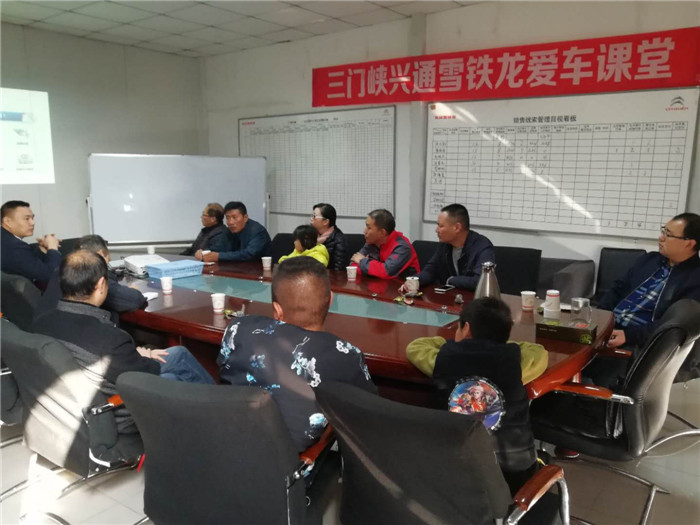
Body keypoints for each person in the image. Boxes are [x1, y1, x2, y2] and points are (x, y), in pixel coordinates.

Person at [32, 250, 214, 433]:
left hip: (67, 405)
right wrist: (141, 355)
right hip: (115, 412)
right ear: (101, 285)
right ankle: (216, 416)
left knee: (178, 354)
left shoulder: (42, 322)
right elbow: (145, 372)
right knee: (175, 377)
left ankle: (214, 408)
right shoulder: (109, 338)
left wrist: (134, 353)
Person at [217, 257, 376, 452]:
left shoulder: (239, 328)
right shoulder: (347, 354)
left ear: (277, 310)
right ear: (330, 300)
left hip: (225, 440)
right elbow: (369, 412)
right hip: (290, 464)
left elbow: (224, 372)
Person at [406, 297, 546, 494]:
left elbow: (416, 347)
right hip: (514, 478)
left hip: (453, 473)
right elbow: (539, 352)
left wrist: (451, 343)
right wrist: (499, 342)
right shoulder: (516, 363)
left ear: (466, 328)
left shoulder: (444, 358)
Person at [599, 213, 700, 351]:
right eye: (663, 231)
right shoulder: (649, 260)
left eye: (668, 235)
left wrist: (628, 336)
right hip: (609, 327)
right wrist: (600, 316)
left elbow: (675, 323)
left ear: (689, 243)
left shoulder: (695, 279)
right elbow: (618, 288)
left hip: (640, 343)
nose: (661, 237)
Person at [34, 234, 147, 321]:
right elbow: (132, 300)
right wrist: (134, 291)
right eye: (108, 258)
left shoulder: (61, 270)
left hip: (47, 330)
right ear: (101, 254)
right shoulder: (92, 275)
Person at [407, 203, 495, 292]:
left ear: (457, 227)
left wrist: (451, 280)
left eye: (441, 226)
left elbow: (481, 281)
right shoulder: (444, 244)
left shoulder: (482, 246)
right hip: (450, 296)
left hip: (474, 298)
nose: (436, 230)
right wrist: (416, 280)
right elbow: (431, 270)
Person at [1, 200, 62, 286]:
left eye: (32, 218)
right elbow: (51, 277)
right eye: (27, 219)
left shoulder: (5, 240)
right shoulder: (14, 246)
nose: (33, 223)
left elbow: (29, 263)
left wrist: (43, 249)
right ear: (8, 222)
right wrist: (53, 247)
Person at [350, 209, 420, 279]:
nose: (364, 231)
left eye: (369, 228)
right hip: (378, 283)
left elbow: (386, 271)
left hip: (402, 284)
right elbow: (353, 265)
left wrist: (361, 261)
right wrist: (370, 267)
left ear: (382, 232)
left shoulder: (402, 247)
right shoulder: (372, 242)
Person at [199, 201, 271, 263]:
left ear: (245, 218)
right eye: (228, 218)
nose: (231, 222)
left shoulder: (257, 231)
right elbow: (219, 249)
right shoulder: (228, 231)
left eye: (234, 217)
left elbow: (249, 254)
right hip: (237, 269)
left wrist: (219, 256)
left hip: (259, 270)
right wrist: (203, 252)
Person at [310, 203, 348, 270]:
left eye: (314, 216)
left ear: (325, 222)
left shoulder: (339, 240)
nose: (311, 219)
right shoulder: (309, 234)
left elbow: (338, 270)